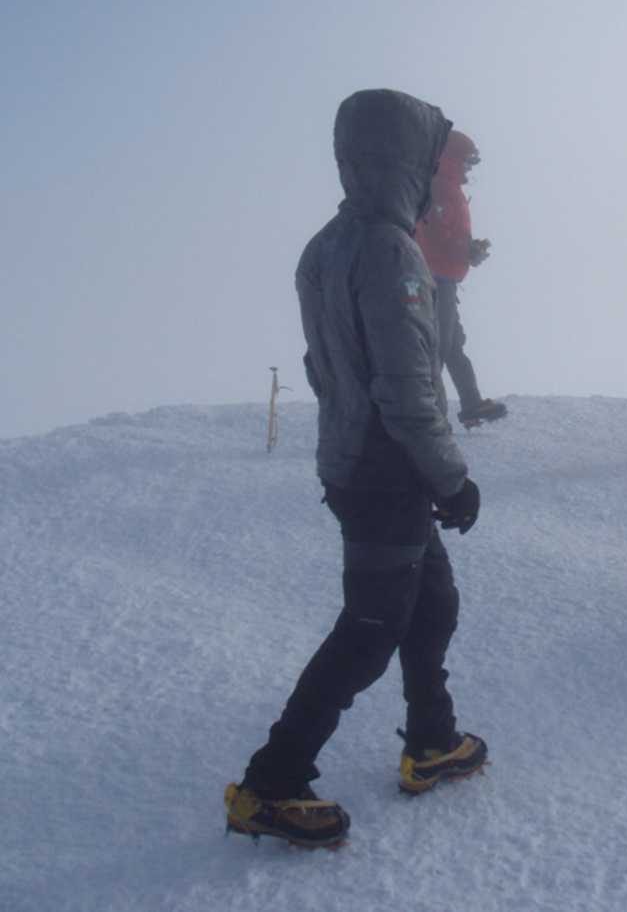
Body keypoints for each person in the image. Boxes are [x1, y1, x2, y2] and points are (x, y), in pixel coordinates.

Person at [224, 89, 488, 850]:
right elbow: (406, 388)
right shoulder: (390, 250)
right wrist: (450, 477)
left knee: (430, 601)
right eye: (429, 162)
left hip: (356, 464)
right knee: (370, 630)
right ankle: (270, 783)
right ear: (405, 163)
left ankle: (432, 740)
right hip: (388, 471)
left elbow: (322, 365)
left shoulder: (326, 244)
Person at [415, 129, 507, 428]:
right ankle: (427, 415)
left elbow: (445, 233)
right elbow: (435, 233)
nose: (470, 168)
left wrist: (468, 251)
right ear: (451, 158)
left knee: (452, 344)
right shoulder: (440, 188)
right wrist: (467, 250)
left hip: (445, 277)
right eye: (468, 161)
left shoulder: (446, 187)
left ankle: (470, 405)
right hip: (434, 277)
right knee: (439, 345)